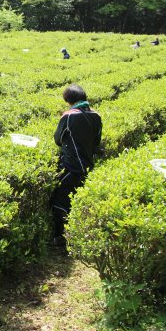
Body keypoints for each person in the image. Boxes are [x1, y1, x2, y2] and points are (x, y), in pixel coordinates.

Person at [49, 84, 103, 251]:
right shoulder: (96, 116)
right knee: (77, 200)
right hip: (87, 165)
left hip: (70, 165)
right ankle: (78, 236)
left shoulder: (69, 116)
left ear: (68, 100)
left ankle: (61, 238)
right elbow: (97, 142)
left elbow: (58, 139)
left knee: (60, 200)